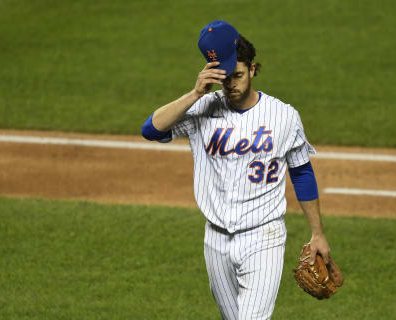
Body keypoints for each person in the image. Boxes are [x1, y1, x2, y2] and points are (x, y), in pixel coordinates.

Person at [142, 20, 331, 320]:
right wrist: (194, 95)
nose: (231, 83)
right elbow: (151, 130)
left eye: (238, 75)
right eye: (225, 77)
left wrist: (317, 233)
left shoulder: (283, 116)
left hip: (264, 236)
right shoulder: (203, 108)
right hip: (215, 240)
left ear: (253, 69)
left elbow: (302, 173)